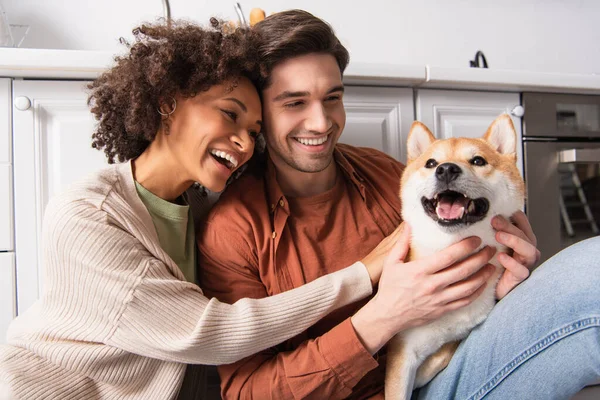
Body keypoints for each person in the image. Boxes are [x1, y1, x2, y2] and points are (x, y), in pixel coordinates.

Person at [0, 19, 413, 400]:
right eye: (229, 115)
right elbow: (209, 332)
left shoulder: (200, 202)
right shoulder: (88, 215)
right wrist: (364, 273)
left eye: (254, 131)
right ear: (168, 103)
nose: (245, 143)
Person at [197, 9, 600, 400]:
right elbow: (247, 392)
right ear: (259, 113)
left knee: (587, 273)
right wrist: (382, 318)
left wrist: (505, 285)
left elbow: (463, 298)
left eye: (332, 97)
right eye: (294, 103)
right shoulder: (232, 231)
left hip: (445, 369)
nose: (321, 123)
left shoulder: (388, 175)